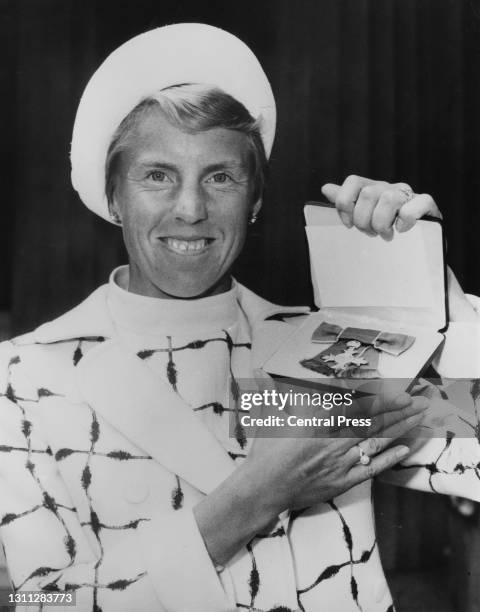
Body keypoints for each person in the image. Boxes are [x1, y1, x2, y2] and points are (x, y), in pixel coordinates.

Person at [0, 23, 479, 612]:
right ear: (114, 195)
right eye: (158, 175)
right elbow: (42, 601)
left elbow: (471, 455)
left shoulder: (316, 349)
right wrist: (260, 493)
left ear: (254, 199)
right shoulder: (28, 376)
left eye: (220, 177)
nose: (191, 209)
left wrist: (422, 286)